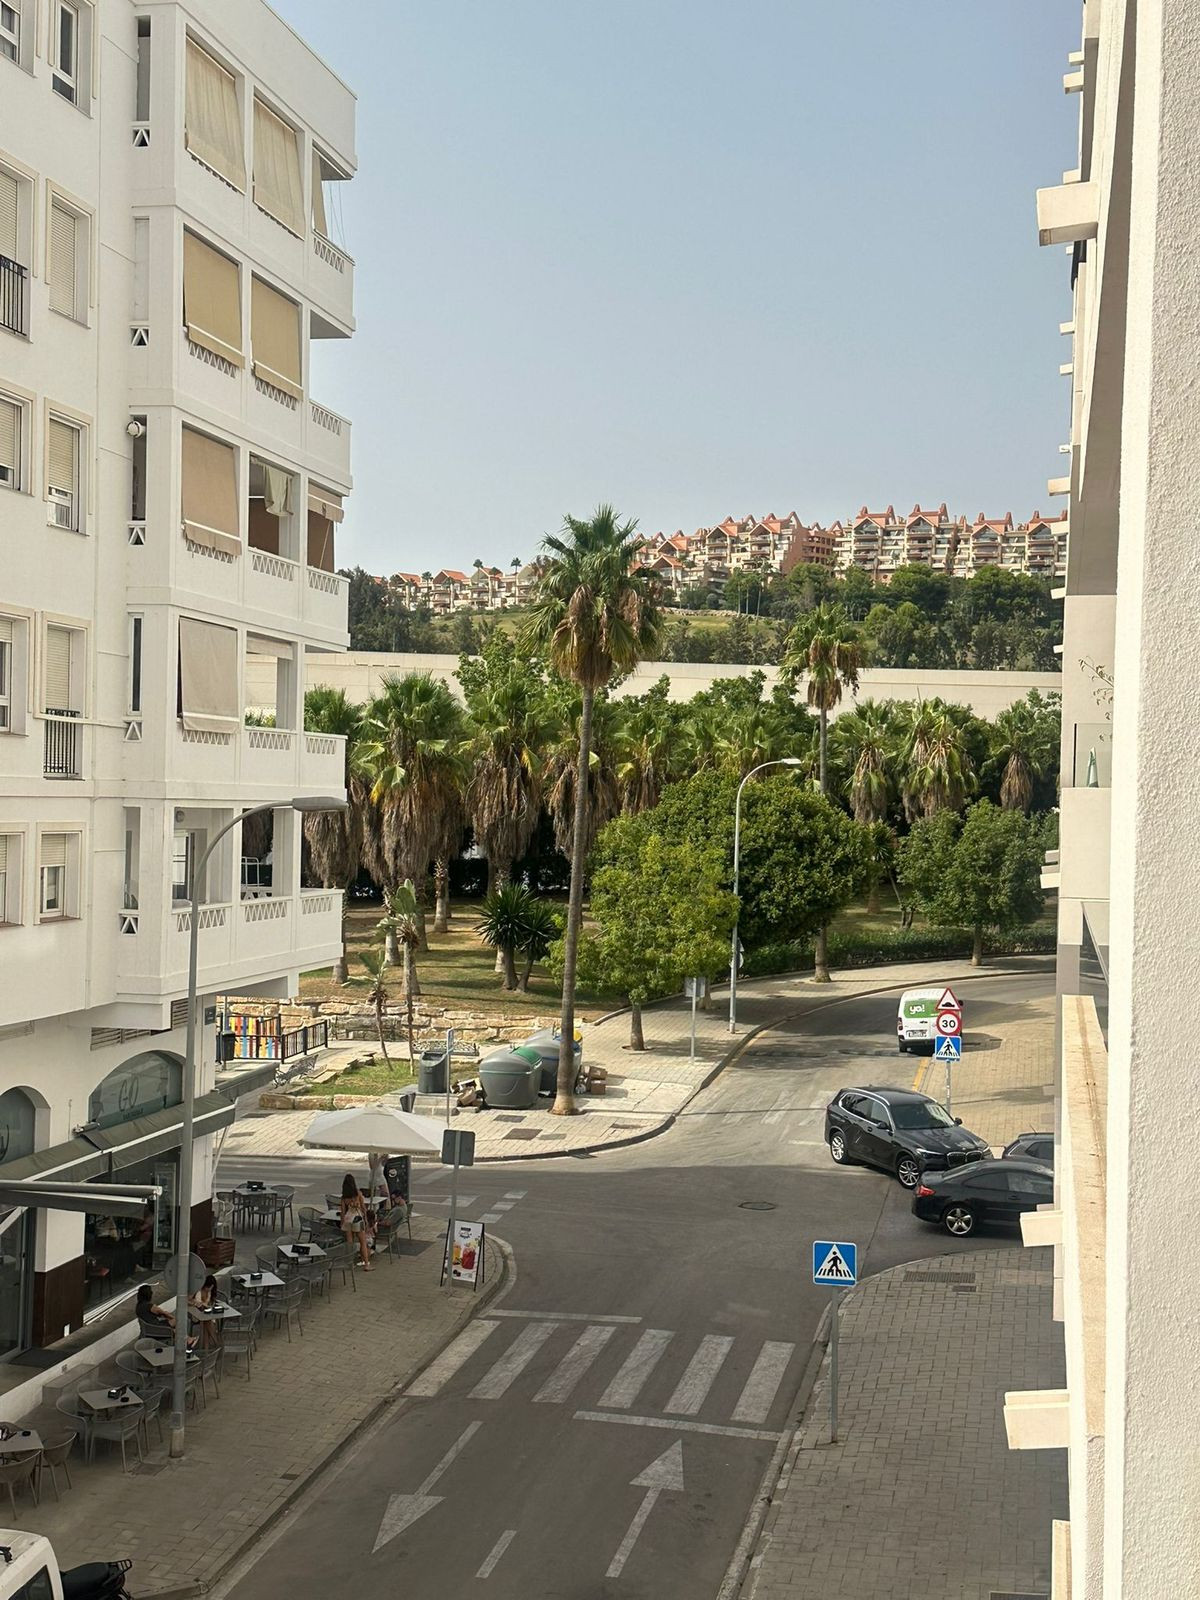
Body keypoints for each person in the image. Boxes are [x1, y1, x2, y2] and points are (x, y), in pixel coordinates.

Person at [339, 1172, 372, 1269]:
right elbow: (363, 1208)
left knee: (350, 1243)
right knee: (362, 1242)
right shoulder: (358, 1194)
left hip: (348, 1219)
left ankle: (350, 1263)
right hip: (357, 1219)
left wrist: (342, 1222)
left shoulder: (344, 1197)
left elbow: (342, 1212)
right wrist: (366, 1220)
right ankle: (366, 1264)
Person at [189, 1273, 220, 1347]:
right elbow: (187, 1300)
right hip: (196, 1313)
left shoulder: (209, 1292)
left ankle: (206, 1346)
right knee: (208, 1321)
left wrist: (210, 1305)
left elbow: (210, 1303)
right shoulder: (198, 1290)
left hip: (205, 1313)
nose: (209, 1289)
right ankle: (215, 1342)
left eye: (211, 1288)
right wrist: (194, 1303)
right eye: (208, 1287)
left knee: (207, 1321)